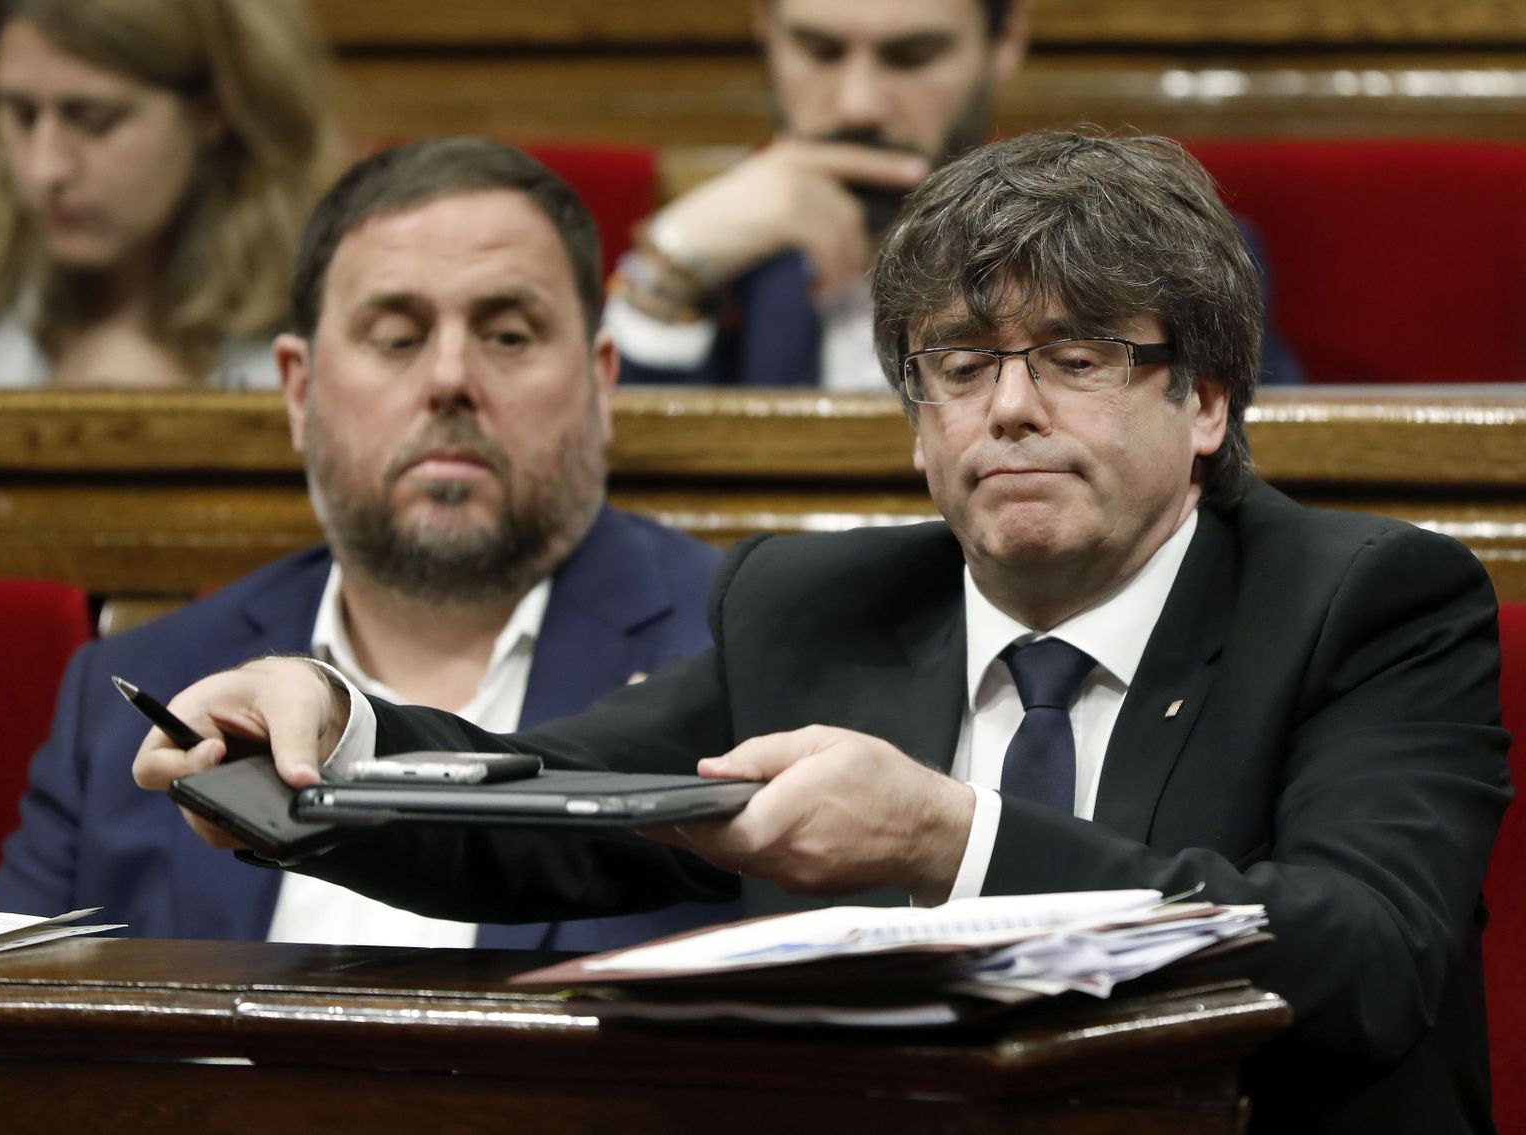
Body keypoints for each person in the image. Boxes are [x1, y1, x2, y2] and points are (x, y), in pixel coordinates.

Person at [135, 132, 1507, 1133]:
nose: (1010, 409)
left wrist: (953, 841)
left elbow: (1363, 955)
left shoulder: (1367, 604)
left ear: (1205, 398)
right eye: (961, 367)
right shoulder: (810, 609)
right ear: (919, 425)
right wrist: (323, 742)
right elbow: (548, 804)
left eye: (1077, 356)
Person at [0, 138, 736, 952]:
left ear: (598, 384)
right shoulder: (130, 691)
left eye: (510, 335)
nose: (451, 377)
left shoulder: (733, 659)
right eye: (396, 336)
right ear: (300, 391)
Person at [607, 0, 1304, 390]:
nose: (858, 104)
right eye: (818, 50)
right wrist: (671, 269)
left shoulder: (1160, 257)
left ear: (1004, 41)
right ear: (764, 27)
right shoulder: (722, 265)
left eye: (912, 58)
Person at [0, 0, 341, 390]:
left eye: (94, 120)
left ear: (213, 110)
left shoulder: (331, 299)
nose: (45, 168)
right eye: (21, 114)